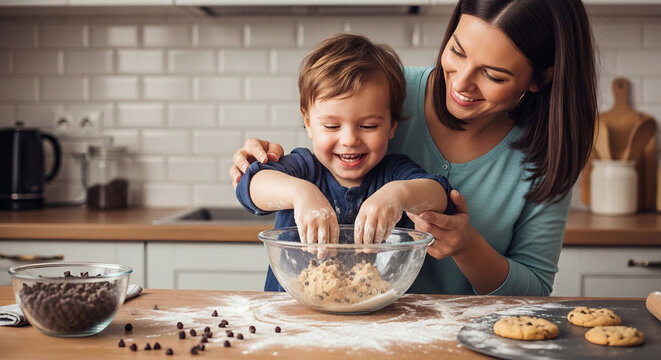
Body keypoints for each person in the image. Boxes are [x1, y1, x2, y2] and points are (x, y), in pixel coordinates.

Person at [231, 0, 597, 296]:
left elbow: (533, 290)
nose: (463, 83)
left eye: (493, 75)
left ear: (541, 77)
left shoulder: (548, 153)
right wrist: (263, 166)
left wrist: (466, 246)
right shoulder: (383, 90)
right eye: (457, 51)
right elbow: (272, 175)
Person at [235, 33, 456, 292]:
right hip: (291, 317)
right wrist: (301, 193)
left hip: (376, 318)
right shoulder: (302, 168)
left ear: (392, 126)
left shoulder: (394, 173)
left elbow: (441, 195)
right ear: (308, 123)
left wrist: (397, 194)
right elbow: (250, 185)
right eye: (331, 125)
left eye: (368, 125)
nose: (349, 139)